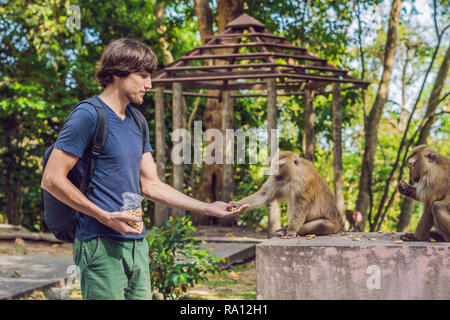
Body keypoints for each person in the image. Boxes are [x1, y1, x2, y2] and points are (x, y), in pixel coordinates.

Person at [41, 38, 248, 300]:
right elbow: (51, 179)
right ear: (117, 73)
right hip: (98, 242)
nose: (149, 84)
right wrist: (103, 215)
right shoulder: (88, 115)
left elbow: (151, 185)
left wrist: (207, 207)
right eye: (142, 75)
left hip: (137, 244)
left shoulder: (138, 121)